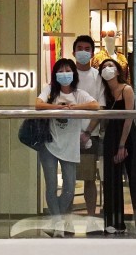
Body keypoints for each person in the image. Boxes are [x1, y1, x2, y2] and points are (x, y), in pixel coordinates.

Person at [35, 59, 99, 236]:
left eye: (68, 70)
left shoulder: (79, 93)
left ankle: (58, 222)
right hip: (49, 144)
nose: (64, 73)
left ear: (73, 73)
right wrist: (57, 107)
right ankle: (58, 224)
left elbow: (95, 105)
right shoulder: (50, 91)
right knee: (51, 186)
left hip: (71, 146)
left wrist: (76, 107)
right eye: (61, 70)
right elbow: (38, 105)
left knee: (69, 187)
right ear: (55, 74)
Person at [98, 58, 136, 236]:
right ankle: (114, 222)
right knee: (111, 178)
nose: (107, 69)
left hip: (127, 137)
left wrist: (122, 144)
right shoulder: (104, 92)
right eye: (104, 67)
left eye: (110, 66)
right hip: (111, 137)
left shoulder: (127, 89)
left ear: (118, 71)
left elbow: (129, 117)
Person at [71, 36, 105, 221]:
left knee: (89, 178)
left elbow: (101, 106)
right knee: (69, 180)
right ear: (73, 51)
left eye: (87, 49)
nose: (83, 52)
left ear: (92, 53)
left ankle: (92, 218)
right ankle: (64, 219)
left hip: (90, 135)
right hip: (67, 135)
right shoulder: (67, 73)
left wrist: (87, 132)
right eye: (80, 48)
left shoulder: (97, 76)